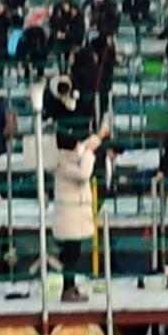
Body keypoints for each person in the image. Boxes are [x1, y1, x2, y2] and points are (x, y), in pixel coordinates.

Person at [47, 118, 104, 300]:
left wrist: (93, 141)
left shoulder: (66, 158)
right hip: (70, 217)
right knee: (71, 255)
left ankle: (70, 288)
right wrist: (88, 151)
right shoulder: (62, 163)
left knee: (73, 253)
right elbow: (84, 174)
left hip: (72, 216)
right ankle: (68, 290)